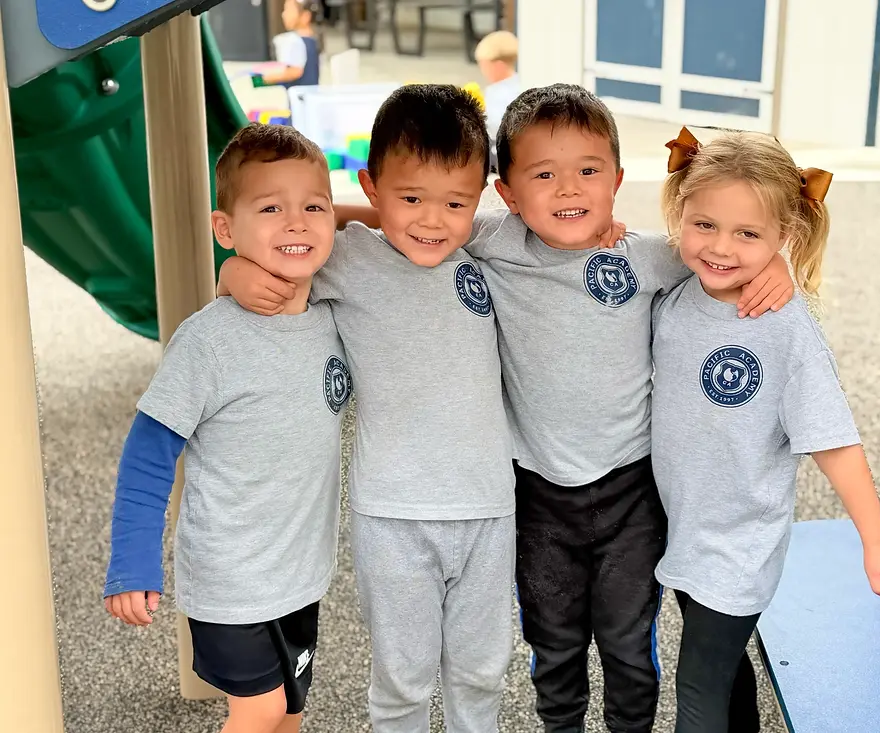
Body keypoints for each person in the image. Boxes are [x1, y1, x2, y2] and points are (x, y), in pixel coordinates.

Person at [463, 84, 795, 733]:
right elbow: (406, 216)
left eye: (588, 171)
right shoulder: (492, 242)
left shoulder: (644, 255)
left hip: (630, 495)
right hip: (539, 497)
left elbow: (726, 249)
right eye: (544, 174)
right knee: (553, 645)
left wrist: (774, 261)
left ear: (616, 179)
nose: (568, 190)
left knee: (626, 644)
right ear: (505, 192)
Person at [217, 84, 537, 733]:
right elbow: (290, 236)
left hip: (489, 507)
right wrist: (233, 272)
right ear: (370, 184)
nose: (430, 220)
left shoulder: (482, 246)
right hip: (392, 515)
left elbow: (566, 228)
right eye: (409, 198)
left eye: (454, 202)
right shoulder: (353, 256)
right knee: (404, 672)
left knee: (481, 666)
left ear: (480, 196)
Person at [651, 126, 880, 733]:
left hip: (738, 545)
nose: (721, 247)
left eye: (749, 234)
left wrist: (875, 540)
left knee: (696, 694)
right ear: (680, 214)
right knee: (722, 669)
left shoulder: (783, 327)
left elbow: (833, 439)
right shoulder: (673, 289)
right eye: (705, 225)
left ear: (785, 236)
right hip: (684, 530)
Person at [103, 123, 351, 733]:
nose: (296, 223)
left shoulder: (335, 309)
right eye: (270, 208)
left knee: (292, 706)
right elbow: (149, 453)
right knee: (261, 708)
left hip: (300, 572)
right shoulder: (208, 342)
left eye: (312, 207)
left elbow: (395, 226)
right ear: (225, 229)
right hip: (231, 575)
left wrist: (269, 241)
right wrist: (133, 561)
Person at [474, 30, 521, 172]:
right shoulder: (519, 83)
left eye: (483, 65)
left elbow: (494, 127)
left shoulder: (500, 93)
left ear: (498, 66)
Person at [254, 0, 321, 89]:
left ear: (305, 16)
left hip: (299, 99)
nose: (283, 15)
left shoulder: (295, 41)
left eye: (288, 10)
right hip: (311, 96)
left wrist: (261, 80)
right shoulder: (313, 41)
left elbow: (294, 72)